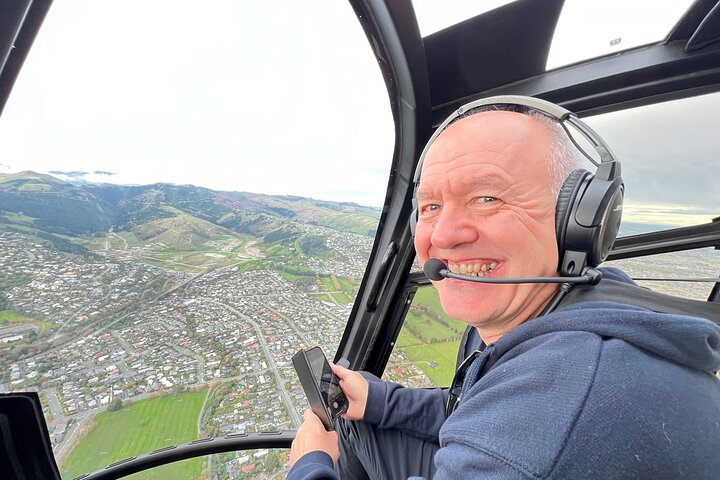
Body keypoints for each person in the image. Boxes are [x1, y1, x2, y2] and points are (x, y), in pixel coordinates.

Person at [287, 97, 720, 479]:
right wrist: (381, 400)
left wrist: (309, 466)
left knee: (330, 438)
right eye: (432, 207)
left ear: (580, 219)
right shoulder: (578, 301)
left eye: (487, 198)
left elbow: (513, 430)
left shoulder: (542, 423)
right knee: (350, 417)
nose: (445, 234)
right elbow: (473, 405)